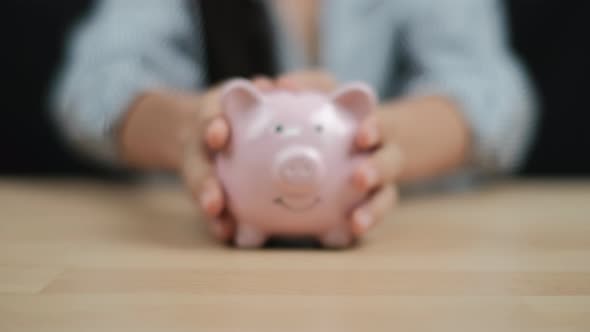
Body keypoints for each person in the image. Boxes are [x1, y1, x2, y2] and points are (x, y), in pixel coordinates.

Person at [52, 0, 536, 242]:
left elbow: (496, 95)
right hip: (199, 264)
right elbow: (92, 83)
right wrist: (189, 131)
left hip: (392, 259)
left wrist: (386, 139)